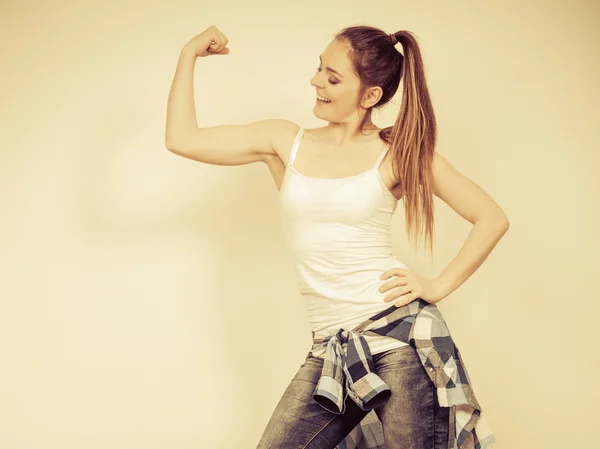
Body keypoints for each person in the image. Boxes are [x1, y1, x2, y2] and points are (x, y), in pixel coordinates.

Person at [165, 24, 508, 449]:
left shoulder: (396, 152)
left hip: (400, 339)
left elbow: (490, 217)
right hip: (331, 349)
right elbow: (181, 140)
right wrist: (188, 55)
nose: (315, 81)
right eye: (318, 69)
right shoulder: (284, 142)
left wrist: (436, 285)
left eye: (332, 76)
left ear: (370, 96)